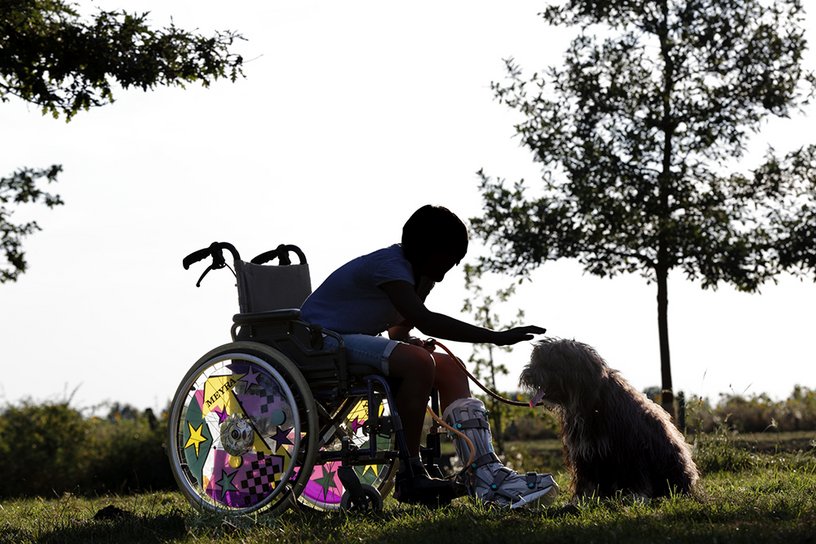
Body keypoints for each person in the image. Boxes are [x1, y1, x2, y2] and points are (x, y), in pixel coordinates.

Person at [300, 205, 557, 508]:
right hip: (321, 341)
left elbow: (399, 328)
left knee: (450, 368)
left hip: (348, 342)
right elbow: (427, 320)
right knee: (420, 363)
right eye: (449, 256)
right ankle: (410, 473)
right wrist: (496, 337)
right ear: (425, 248)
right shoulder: (391, 265)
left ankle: (483, 471)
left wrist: (409, 341)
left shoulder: (421, 276)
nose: (453, 265)